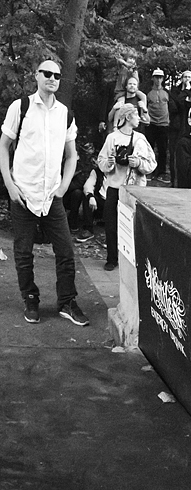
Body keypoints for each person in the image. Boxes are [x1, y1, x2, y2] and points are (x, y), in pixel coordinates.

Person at [0, 58, 90, 326]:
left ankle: (67, 302)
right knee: (24, 252)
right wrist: (9, 183)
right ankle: (30, 299)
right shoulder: (21, 107)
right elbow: (4, 146)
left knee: (65, 251)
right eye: (47, 73)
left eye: (57, 75)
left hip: (52, 196)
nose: (52, 78)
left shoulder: (65, 113)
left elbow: (71, 155)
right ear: (36, 75)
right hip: (23, 194)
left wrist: (63, 186)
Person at [97, 103, 156, 270]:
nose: (139, 118)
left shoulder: (140, 139)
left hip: (134, 189)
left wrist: (137, 163)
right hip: (114, 187)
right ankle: (112, 259)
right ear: (128, 117)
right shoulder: (112, 138)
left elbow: (151, 163)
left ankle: (132, 260)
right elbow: (101, 161)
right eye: (136, 115)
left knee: (132, 225)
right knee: (111, 224)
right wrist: (109, 164)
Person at [145, 68, 170, 183]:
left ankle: (161, 173)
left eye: (160, 77)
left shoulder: (167, 92)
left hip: (164, 124)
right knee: (149, 148)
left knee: (162, 150)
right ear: (153, 78)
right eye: (156, 77)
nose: (158, 79)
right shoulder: (148, 92)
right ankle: (149, 171)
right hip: (151, 124)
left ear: (163, 79)